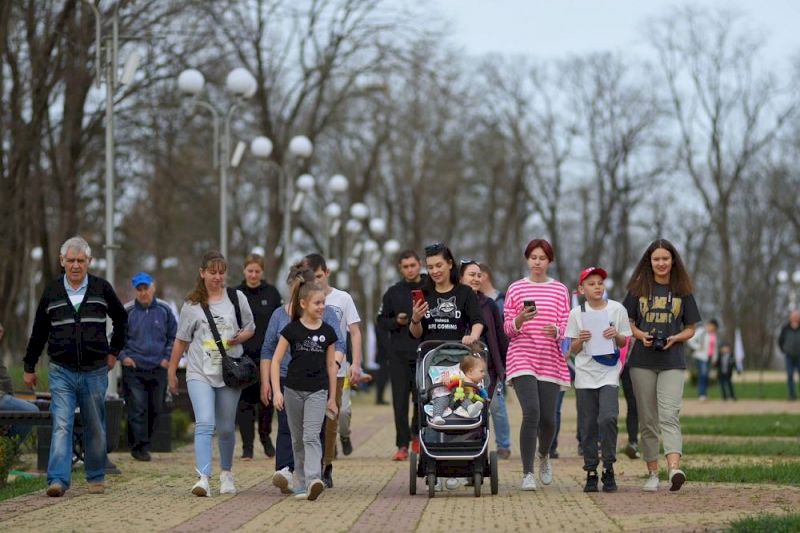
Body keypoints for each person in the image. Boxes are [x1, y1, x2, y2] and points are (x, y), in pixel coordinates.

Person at [23, 236, 128, 497]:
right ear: (62, 262)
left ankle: (95, 476)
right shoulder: (52, 291)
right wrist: (29, 365)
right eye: (71, 260)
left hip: (95, 370)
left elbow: (122, 320)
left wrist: (113, 352)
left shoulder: (102, 289)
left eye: (81, 260)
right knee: (61, 423)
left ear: (89, 262)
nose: (76, 265)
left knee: (94, 423)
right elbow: (38, 331)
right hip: (61, 370)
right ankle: (57, 480)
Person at [167, 251, 255, 497]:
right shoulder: (192, 305)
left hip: (229, 372)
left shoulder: (237, 298)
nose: (217, 277)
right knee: (204, 423)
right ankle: (203, 477)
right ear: (202, 273)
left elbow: (250, 327)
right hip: (199, 372)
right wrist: (172, 371)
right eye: (212, 272)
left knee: (226, 428)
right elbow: (181, 341)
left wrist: (239, 337)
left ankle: (226, 473)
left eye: (221, 272)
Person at [622, 239, 700, 493]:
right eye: (656, 259)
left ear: (673, 260)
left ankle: (674, 469)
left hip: (673, 361)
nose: (661, 263)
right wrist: (639, 334)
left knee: (670, 415)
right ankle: (652, 472)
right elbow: (627, 321)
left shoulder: (682, 290)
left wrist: (676, 338)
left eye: (665, 258)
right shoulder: (637, 289)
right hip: (642, 362)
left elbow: (690, 328)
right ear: (649, 262)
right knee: (647, 420)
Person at [261, 265, 346, 495]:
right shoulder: (291, 329)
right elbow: (276, 359)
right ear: (303, 304)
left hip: (317, 391)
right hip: (292, 390)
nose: (322, 307)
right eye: (317, 303)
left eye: (323, 303)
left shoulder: (328, 331)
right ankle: (298, 482)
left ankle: (313, 479)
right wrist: (277, 391)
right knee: (297, 439)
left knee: (311, 436)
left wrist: (332, 397)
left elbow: (331, 365)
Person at [503, 238, 571, 491]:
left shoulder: (560, 290)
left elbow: (567, 324)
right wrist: (520, 318)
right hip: (522, 356)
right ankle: (527, 473)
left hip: (550, 359)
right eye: (533, 257)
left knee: (548, 420)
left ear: (549, 261)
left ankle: (543, 456)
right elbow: (508, 328)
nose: (537, 262)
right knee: (531, 412)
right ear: (527, 259)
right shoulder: (516, 289)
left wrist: (557, 330)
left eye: (542, 258)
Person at [566, 267, 631, 493]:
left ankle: (609, 467)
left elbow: (624, 342)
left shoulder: (617, 309)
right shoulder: (576, 313)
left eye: (600, 283)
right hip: (585, 375)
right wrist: (580, 341)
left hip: (609, 372)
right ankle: (591, 471)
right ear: (581, 289)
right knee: (588, 425)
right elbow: (570, 349)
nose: (597, 287)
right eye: (591, 283)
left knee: (609, 418)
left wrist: (617, 335)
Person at [303, 253, 362, 488]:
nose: (316, 282)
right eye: (311, 277)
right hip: (309, 365)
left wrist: (355, 364)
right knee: (311, 420)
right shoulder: (304, 299)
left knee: (332, 417)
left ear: (327, 273)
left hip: (337, 367)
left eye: (319, 276)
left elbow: (355, 332)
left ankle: (327, 465)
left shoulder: (342, 299)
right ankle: (311, 466)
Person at [119, 272, 177, 461]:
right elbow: (116, 338)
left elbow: (174, 336)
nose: (143, 293)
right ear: (135, 291)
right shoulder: (126, 311)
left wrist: (167, 357)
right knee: (137, 407)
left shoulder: (165, 309)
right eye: (139, 289)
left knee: (155, 408)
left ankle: (143, 441)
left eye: (146, 288)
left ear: (153, 287)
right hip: (134, 367)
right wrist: (124, 357)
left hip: (158, 366)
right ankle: (138, 447)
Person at [377, 250, 425, 460]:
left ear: (419, 264)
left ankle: (417, 436)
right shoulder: (392, 292)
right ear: (400, 268)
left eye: (413, 265)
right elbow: (381, 321)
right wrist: (397, 321)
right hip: (397, 355)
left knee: (420, 399)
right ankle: (401, 445)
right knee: (399, 402)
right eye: (405, 266)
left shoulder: (429, 287)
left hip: (422, 352)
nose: (410, 269)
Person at [236, 254, 282, 460]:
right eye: (250, 271)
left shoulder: (272, 293)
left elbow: (280, 323)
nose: (253, 275)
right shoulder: (235, 294)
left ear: (262, 272)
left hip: (267, 357)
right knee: (245, 403)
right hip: (242, 357)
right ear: (244, 271)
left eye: (257, 271)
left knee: (267, 401)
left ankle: (265, 438)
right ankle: (247, 446)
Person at [465, 261, 510, 458]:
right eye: (471, 275)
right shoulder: (456, 302)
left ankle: (503, 445)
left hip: (489, 367)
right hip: (464, 367)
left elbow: (500, 336)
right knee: (468, 410)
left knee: (494, 406)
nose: (476, 279)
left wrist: (505, 367)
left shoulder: (489, 304)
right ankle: (473, 451)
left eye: (478, 275)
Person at [0, 323, 40, 440]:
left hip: (4, 396)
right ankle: (10, 449)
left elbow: (5, 382)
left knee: (45, 406)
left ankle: (7, 450)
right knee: (31, 411)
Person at [688, 319, 719, 401]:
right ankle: (701, 394)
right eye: (712, 326)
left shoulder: (713, 335)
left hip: (709, 358)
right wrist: (698, 347)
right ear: (710, 325)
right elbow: (690, 340)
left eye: (715, 328)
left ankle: (704, 393)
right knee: (703, 375)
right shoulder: (701, 331)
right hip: (700, 357)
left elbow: (714, 348)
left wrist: (715, 358)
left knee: (705, 376)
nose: (713, 329)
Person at [778, 310, 800, 401]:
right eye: (793, 316)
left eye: (796, 316)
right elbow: (780, 340)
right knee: (790, 375)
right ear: (790, 318)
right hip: (789, 356)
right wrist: (783, 350)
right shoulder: (785, 328)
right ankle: (792, 395)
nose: (795, 318)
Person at [373, 321, 390, 405]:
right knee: (382, 377)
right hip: (383, 355)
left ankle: (380, 398)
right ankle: (379, 398)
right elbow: (384, 342)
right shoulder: (381, 326)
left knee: (383, 377)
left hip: (383, 355)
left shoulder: (380, 326)